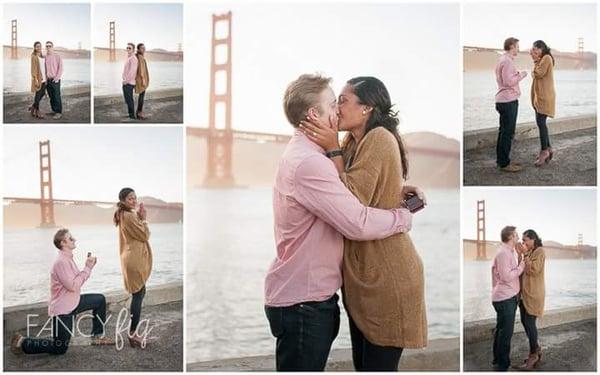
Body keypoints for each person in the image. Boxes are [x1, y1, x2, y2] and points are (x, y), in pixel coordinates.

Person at [264, 73, 425, 371]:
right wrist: (401, 216)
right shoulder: (321, 156)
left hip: (385, 274)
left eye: (343, 100)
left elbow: (354, 195)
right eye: (333, 102)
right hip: (335, 288)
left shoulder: (359, 143)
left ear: (367, 108)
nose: (337, 108)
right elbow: (355, 211)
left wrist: (394, 192)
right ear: (314, 113)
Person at [10, 229, 114, 355]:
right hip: (64, 310)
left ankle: (98, 337)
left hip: (73, 302)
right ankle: (22, 342)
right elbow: (73, 286)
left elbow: (75, 282)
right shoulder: (61, 262)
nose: (74, 240)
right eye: (71, 238)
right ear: (63, 243)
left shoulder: (68, 259)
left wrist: (88, 266)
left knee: (99, 300)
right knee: (59, 348)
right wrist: (87, 268)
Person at [113, 187, 153, 348]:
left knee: (140, 292)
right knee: (138, 294)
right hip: (134, 260)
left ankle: (133, 332)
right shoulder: (129, 215)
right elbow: (144, 235)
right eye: (130, 198)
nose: (134, 200)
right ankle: (132, 334)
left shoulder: (124, 214)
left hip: (130, 258)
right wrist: (143, 219)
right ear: (123, 200)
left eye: (135, 198)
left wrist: (140, 216)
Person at [491, 226, 525, 371]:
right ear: (510, 237)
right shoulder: (504, 253)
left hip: (503, 297)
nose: (518, 237)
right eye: (516, 235)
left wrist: (519, 258)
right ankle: (503, 366)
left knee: (500, 330)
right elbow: (506, 276)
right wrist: (522, 266)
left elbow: (503, 274)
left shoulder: (507, 252)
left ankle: (497, 360)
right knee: (506, 334)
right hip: (506, 299)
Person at [495, 37, 528, 173]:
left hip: (502, 100)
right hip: (508, 101)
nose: (518, 49)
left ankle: (502, 161)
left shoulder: (501, 60)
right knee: (508, 133)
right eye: (517, 46)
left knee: (503, 132)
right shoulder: (507, 61)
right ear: (511, 46)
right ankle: (505, 164)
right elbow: (509, 82)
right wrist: (522, 75)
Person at [516, 229, 546, 370]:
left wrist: (524, 254)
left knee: (530, 323)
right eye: (522, 240)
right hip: (524, 294)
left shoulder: (540, 251)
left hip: (534, 294)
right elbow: (520, 270)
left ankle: (533, 355)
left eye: (525, 240)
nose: (523, 243)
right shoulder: (528, 252)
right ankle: (537, 349)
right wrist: (519, 255)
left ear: (533, 239)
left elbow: (534, 270)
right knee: (525, 321)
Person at [530, 40, 556, 166]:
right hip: (539, 98)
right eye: (533, 49)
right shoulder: (542, 59)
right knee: (542, 124)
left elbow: (538, 73)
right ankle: (549, 148)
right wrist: (535, 60)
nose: (534, 52)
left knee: (541, 124)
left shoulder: (546, 58)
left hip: (544, 97)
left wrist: (535, 61)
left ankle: (544, 151)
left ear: (542, 49)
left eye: (536, 49)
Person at [44, 41, 64, 120]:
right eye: (47, 46)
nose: (48, 47)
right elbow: (45, 69)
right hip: (48, 80)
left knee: (56, 96)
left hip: (55, 80)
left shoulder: (57, 56)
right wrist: (45, 79)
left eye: (49, 46)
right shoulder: (46, 57)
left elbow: (61, 68)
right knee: (51, 96)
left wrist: (56, 78)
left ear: (52, 47)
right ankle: (54, 110)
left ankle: (58, 112)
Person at [29, 41, 47, 119]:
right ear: (35, 47)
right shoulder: (34, 56)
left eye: (40, 46)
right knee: (38, 94)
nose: (39, 48)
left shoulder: (42, 56)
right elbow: (33, 68)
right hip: (38, 78)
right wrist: (35, 79)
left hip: (44, 78)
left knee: (42, 93)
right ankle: (37, 111)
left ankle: (33, 107)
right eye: (37, 46)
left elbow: (44, 67)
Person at [122, 43, 139, 120]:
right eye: (127, 48)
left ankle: (132, 116)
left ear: (133, 50)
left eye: (130, 48)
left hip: (129, 82)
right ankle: (130, 114)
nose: (128, 49)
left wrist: (126, 81)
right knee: (127, 99)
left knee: (129, 99)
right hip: (126, 82)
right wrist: (124, 78)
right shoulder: (128, 57)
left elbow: (132, 72)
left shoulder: (133, 58)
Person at [135, 43, 149, 120]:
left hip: (138, 79)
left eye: (144, 48)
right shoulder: (140, 57)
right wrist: (143, 80)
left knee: (141, 96)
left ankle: (138, 112)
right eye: (142, 48)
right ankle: (139, 113)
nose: (144, 49)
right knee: (141, 96)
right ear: (138, 49)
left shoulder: (138, 56)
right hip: (141, 79)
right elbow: (142, 70)